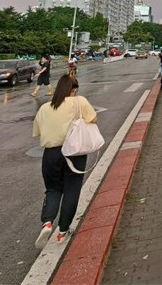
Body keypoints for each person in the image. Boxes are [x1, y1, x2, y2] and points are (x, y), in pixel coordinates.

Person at [32, 74, 97, 249]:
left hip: (50, 155)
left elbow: (37, 132)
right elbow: (93, 119)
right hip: (73, 152)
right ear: (73, 90)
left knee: (53, 189)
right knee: (72, 189)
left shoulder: (45, 108)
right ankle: (63, 232)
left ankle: (47, 223)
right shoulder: (79, 101)